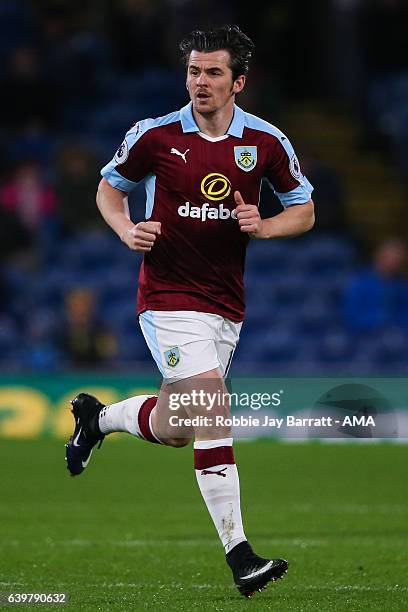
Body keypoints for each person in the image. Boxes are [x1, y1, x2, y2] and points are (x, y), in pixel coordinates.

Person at [65, 25, 315, 598]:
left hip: (226, 303)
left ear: (239, 81)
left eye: (213, 73)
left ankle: (96, 419)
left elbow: (303, 209)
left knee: (180, 427)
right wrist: (127, 228)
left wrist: (266, 225)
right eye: (194, 71)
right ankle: (240, 555)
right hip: (167, 296)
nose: (200, 82)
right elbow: (109, 189)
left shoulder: (267, 142)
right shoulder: (154, 136)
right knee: (212, 403)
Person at [343, 238, 408, 332]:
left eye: (397, 258)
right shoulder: (360, 281)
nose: (394, 262)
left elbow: (404, 313)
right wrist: (379, 320)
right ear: (379, 256)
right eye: (390, 256)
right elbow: (351, 316)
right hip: (365, 335)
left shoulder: (400, 285)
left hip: (396, 336)